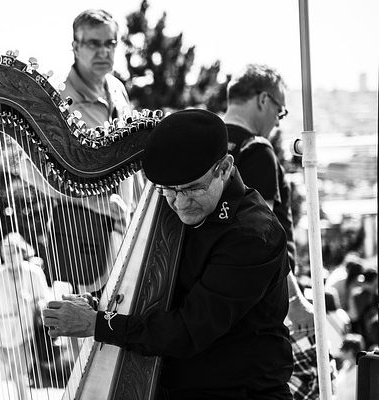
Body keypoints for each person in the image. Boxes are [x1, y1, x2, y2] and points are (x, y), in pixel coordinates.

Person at [43, 109, 293, 399]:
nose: (180, 203)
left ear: (224, 168)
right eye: (168, 191)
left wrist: (98, 324)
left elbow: (189, 329)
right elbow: (156, 291)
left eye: (191, 189)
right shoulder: (173, 207)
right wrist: (99, 304)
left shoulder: (252, 235)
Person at [223, 64, 325, 400]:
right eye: (280, 110)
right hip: (262, 305)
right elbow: (262, 238)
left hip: (223, 300)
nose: (279, 120)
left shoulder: (207, 144)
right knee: (313, 378)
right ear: (263, 99)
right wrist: (295, 299)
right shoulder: (257, 150)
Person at [51, 9, 137, 294]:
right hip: (82, 234)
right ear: (75, 46)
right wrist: (96, 202)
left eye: (109, 43)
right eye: (93, 43)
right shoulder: (59, 98)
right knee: (88, 329)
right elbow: (35, 171)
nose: (103, 51)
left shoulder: (117, 88)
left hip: (128, 226)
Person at [0, 232, 49, 400]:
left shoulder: (34, 272)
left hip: (25, 331)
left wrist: (32, 301)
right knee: (8, 377)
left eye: (13, 252)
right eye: (5, 253)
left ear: (21, 252)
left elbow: (45, 300)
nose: (9, 256)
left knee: (20, 373)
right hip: (2, 332)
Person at [335, 333, 365, 400]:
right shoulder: (345, 365)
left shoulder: (361, 370)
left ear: (350, 351)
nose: (340, 351)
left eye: (343, 349)